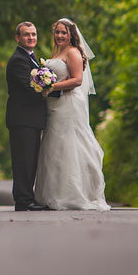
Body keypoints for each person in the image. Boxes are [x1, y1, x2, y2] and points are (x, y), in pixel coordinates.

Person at [34, 18, 110, 211]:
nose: (60, 35)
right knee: (54, 144)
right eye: (57, 32)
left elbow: (77, 80)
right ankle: (52, 193)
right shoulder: (58, 52)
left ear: (71, 35)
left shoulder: (74, 52)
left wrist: (51, 86)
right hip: (55, 104)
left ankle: (73, 194)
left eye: (64, 33)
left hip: (69, 103)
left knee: (69, 144)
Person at [5, 21, 51, 211]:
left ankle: (27, 198)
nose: (31, 38)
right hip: (22, 118)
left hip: (31, 119)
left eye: (33, 34)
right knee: (23, 161)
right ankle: (23, 200)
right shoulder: (18, 60)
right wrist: (54, 89)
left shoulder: (31, 58)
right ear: (18, 38)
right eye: (26, 35)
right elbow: (31, 87)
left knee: (30, 160)